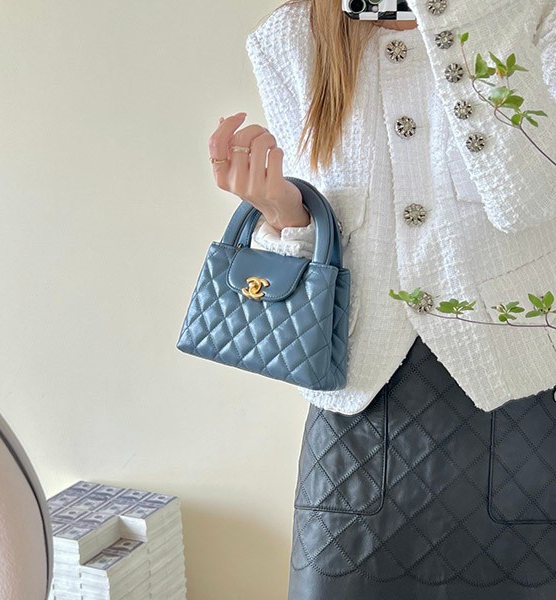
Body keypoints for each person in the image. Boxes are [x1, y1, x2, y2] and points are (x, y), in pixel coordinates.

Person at [209, 0, 556, 598]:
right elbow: (323, 251)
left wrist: (451, 18)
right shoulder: (291, 37)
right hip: (357, 420)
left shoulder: (528, 14)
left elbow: (529, 197)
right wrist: (282, 214)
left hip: (518, 401)